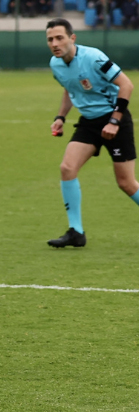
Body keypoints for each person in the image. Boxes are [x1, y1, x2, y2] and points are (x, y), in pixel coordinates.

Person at [45, 18, 139, 248]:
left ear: (72, 38)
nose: (55, 43)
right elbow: (70, 89)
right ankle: (76, 232)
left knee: (126, 183)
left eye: (60, 38)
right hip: (89, 122)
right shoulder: (55, 64)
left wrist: (115, 122)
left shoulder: (93, 56)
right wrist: (60, 117)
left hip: (115, 118)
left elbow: (126, 85)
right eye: (50, 39)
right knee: (67, 168)